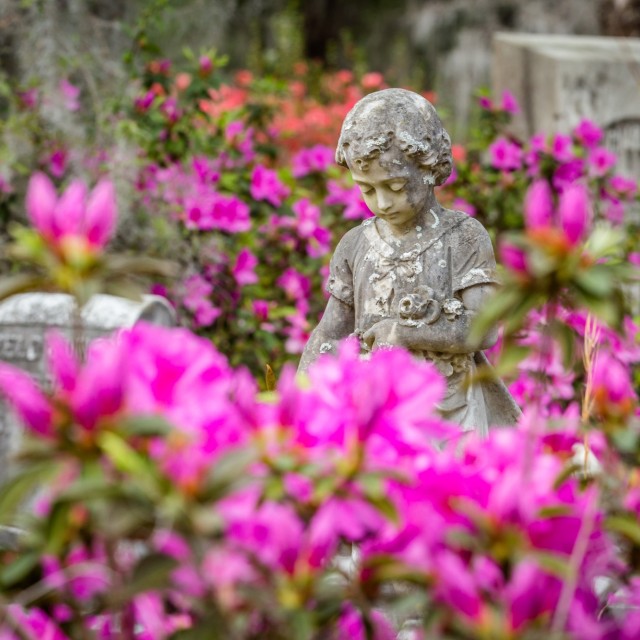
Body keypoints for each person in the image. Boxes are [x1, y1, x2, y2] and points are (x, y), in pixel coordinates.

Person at [298, 88, 520, 435]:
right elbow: (331, 332)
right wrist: (301, 396)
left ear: (429, 168)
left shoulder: (463, 237)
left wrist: (404, 332)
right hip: (376, 409)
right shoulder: (355, 245)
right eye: (367, 189)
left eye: (395, 185)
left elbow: (484, 328)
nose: (382, 202)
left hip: (450, 412)